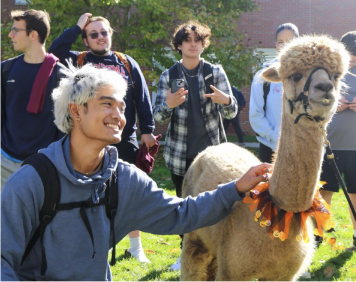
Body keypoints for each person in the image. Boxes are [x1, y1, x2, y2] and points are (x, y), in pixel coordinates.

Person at [0, 64, 271, 281]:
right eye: (107, 104)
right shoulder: (31, 182)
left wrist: (235, 188)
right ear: (76, 111)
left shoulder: (123, 179)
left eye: (121, 107)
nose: (118, 115)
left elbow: (181, 214)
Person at [49, 13, 156, 262]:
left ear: (111, 35)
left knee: (128, 190)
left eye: (104, 32)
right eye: (93, 34)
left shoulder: (126, 62)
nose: (100, 37)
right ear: (86, 40)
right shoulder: (78, 60)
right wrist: (77, 26)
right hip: (87, 140)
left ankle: (135, 247)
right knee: (90, 191)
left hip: (123, 138)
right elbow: (55, 50)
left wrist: (147, 129)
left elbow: (142, 96)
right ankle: (96, 243)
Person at [153, 20, 237, 270]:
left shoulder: (215, 72)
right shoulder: (169, 76)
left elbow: (232, 112)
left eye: (197, 40)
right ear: (179, 45)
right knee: (183, 206)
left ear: (203, 44)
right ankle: (186, 254)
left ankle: (220, 253)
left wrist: (227, 100)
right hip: (181, 155)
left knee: (220, 206)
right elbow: (158, 117)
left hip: (213, 156)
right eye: (187, 40)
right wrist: (168, 105)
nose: (193, 44)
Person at [0, 9, 66, 193]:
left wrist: (55, 161)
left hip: (44, 165)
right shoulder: (5, 70)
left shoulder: (61, 75)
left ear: (33, 35)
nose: (10, 35)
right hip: (4, 163)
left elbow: (65, 126)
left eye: (16, 30)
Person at [320, 31, 356, 250]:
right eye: (347, 58)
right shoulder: (327, 71)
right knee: (325, 191)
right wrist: (333, 104)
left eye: (355, 59)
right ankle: (320, 235)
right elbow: (314, 101)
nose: (351, 63)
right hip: (331, 144)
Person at [249, 23, 299, 163]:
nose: (285, 46)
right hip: (271, 148)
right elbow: (255, 115)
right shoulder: (264, 75)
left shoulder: (309, 76)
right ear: (276, 45)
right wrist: (275, 137)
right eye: (281, 42)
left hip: (302, 148)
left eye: (290, 41)